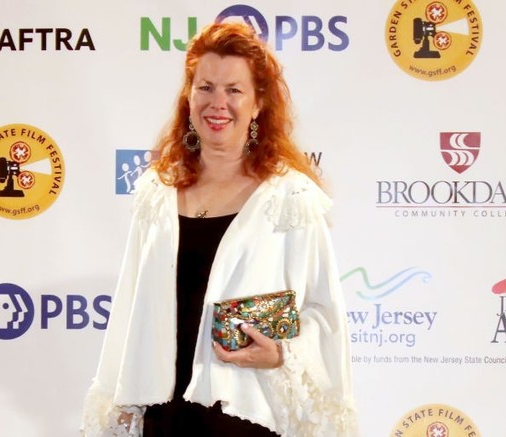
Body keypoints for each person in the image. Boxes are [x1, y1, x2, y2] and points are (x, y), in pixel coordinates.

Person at [81, 22, 358, 437]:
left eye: (234, 90)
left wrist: (282, 352)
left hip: (247, 417)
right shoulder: (156, 193)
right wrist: (119, 406)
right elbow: (129, 309)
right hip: (165, 419)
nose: (218, 103)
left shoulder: (291, 197)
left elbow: (324, 313)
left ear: (259, 104)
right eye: (205, 87)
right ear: (188, 96)